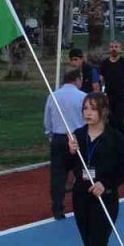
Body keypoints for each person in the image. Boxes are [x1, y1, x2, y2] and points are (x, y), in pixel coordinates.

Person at [68, 93, 124, 246]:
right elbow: (65, 165)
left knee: (98, 242)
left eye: (93, 109)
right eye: (85, 108)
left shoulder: (115, 137)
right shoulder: (78, 136)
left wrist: (106, 184)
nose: (88, 113)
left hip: (105, 198)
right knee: (88, 243)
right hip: (81, 196)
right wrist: (70, 152)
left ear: (103, 111)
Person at [44, 69, 88, 220]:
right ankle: (82, 206)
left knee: (58, 175)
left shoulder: (53, 96)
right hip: (78, 139)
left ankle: (57, 208)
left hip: (59, 138)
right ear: (77, 79)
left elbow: (47, 121)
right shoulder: (83, 97)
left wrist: (51, 136)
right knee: (82, 175)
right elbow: (88, 119)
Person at [98, 40, 124, 135]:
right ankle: (116, 140)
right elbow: (101, 80)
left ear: (120, 49)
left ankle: (123, 140)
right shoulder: (104, 63)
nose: (114, 49)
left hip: (121, 95)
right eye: (112, 47)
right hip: (109, 96)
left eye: (116, 47)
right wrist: (101, 94)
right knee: (110, 119)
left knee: (119, 119)